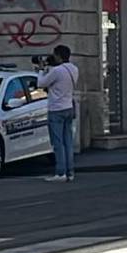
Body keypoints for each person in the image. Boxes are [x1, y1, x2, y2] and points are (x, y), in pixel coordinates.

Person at [38, 44, 79, 182]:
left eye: (55, 54)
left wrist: (41, 70)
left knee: (58, 143)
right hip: (68, 107)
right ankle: (70, 172)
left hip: (56, 109)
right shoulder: (74, 69)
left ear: (59, 56)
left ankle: (60, 172)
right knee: (68, 142)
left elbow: (41, 83)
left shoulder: (57, 71)